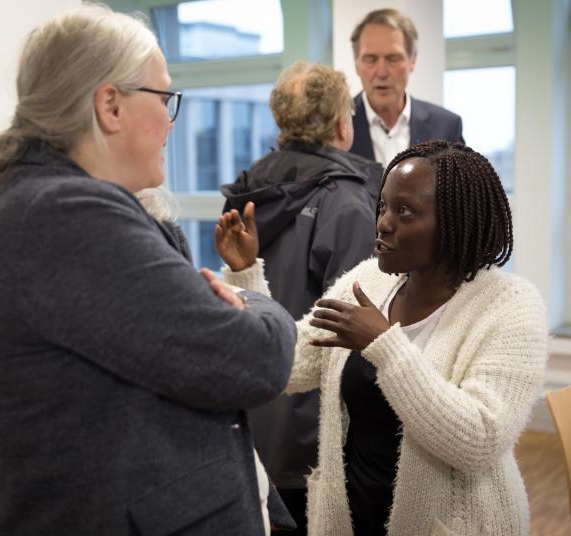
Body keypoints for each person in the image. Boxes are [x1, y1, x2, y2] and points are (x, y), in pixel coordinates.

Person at [0, 5, 297, 535]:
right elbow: (254, 359)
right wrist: (258, 306)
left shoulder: (75, 207)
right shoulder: (66, 217)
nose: (170, 119)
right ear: (109, 105)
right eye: (164, 98)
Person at [213, 140, 549, 535]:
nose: (384, 223)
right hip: (351, 517)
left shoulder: (510, 306)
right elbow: (285, 365)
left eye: (405, 211)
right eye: (383, 206)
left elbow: (478, 440)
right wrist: (247, 276)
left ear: (455, 224)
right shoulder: (367, 280)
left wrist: (385, 347)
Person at [219, 60, 382, 534]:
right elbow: (349, 329)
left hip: (255, 410)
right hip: (315, 433)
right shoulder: (348, 205)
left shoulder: (247, 195)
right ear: (341, 125)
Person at [350, 8, 464, 165]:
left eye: (393, 58)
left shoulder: (446, 127)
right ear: (356, 63)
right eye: (370, 59)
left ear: (413, 60)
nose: (381, 72)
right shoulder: (334, 128)